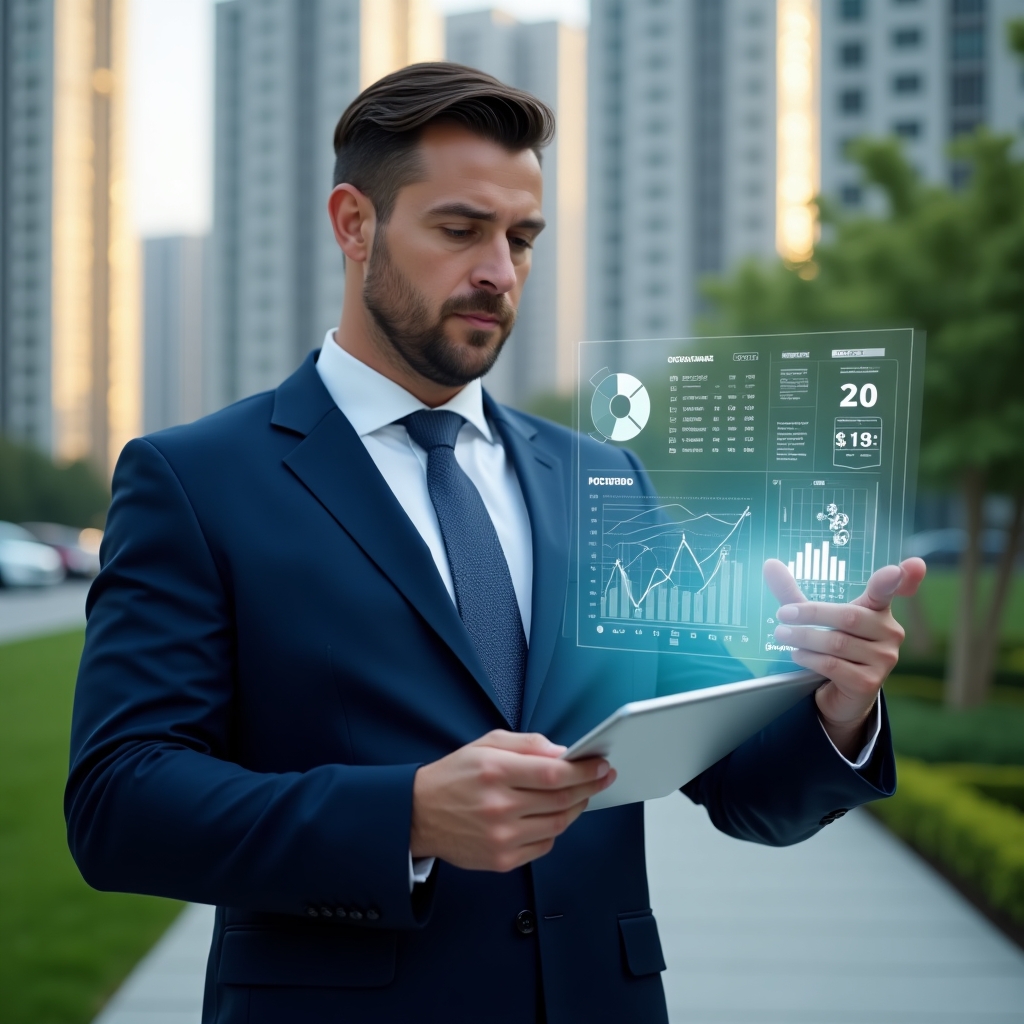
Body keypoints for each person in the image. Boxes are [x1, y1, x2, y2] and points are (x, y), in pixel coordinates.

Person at [66, 63, 925, 1024]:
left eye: (521, 239)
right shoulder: (196, 479)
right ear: (354, 223)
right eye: (460, 229)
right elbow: (119, 800)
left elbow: (736, 784)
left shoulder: (601, 478)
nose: (499, 272)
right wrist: (407, 818)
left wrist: (838, 710)